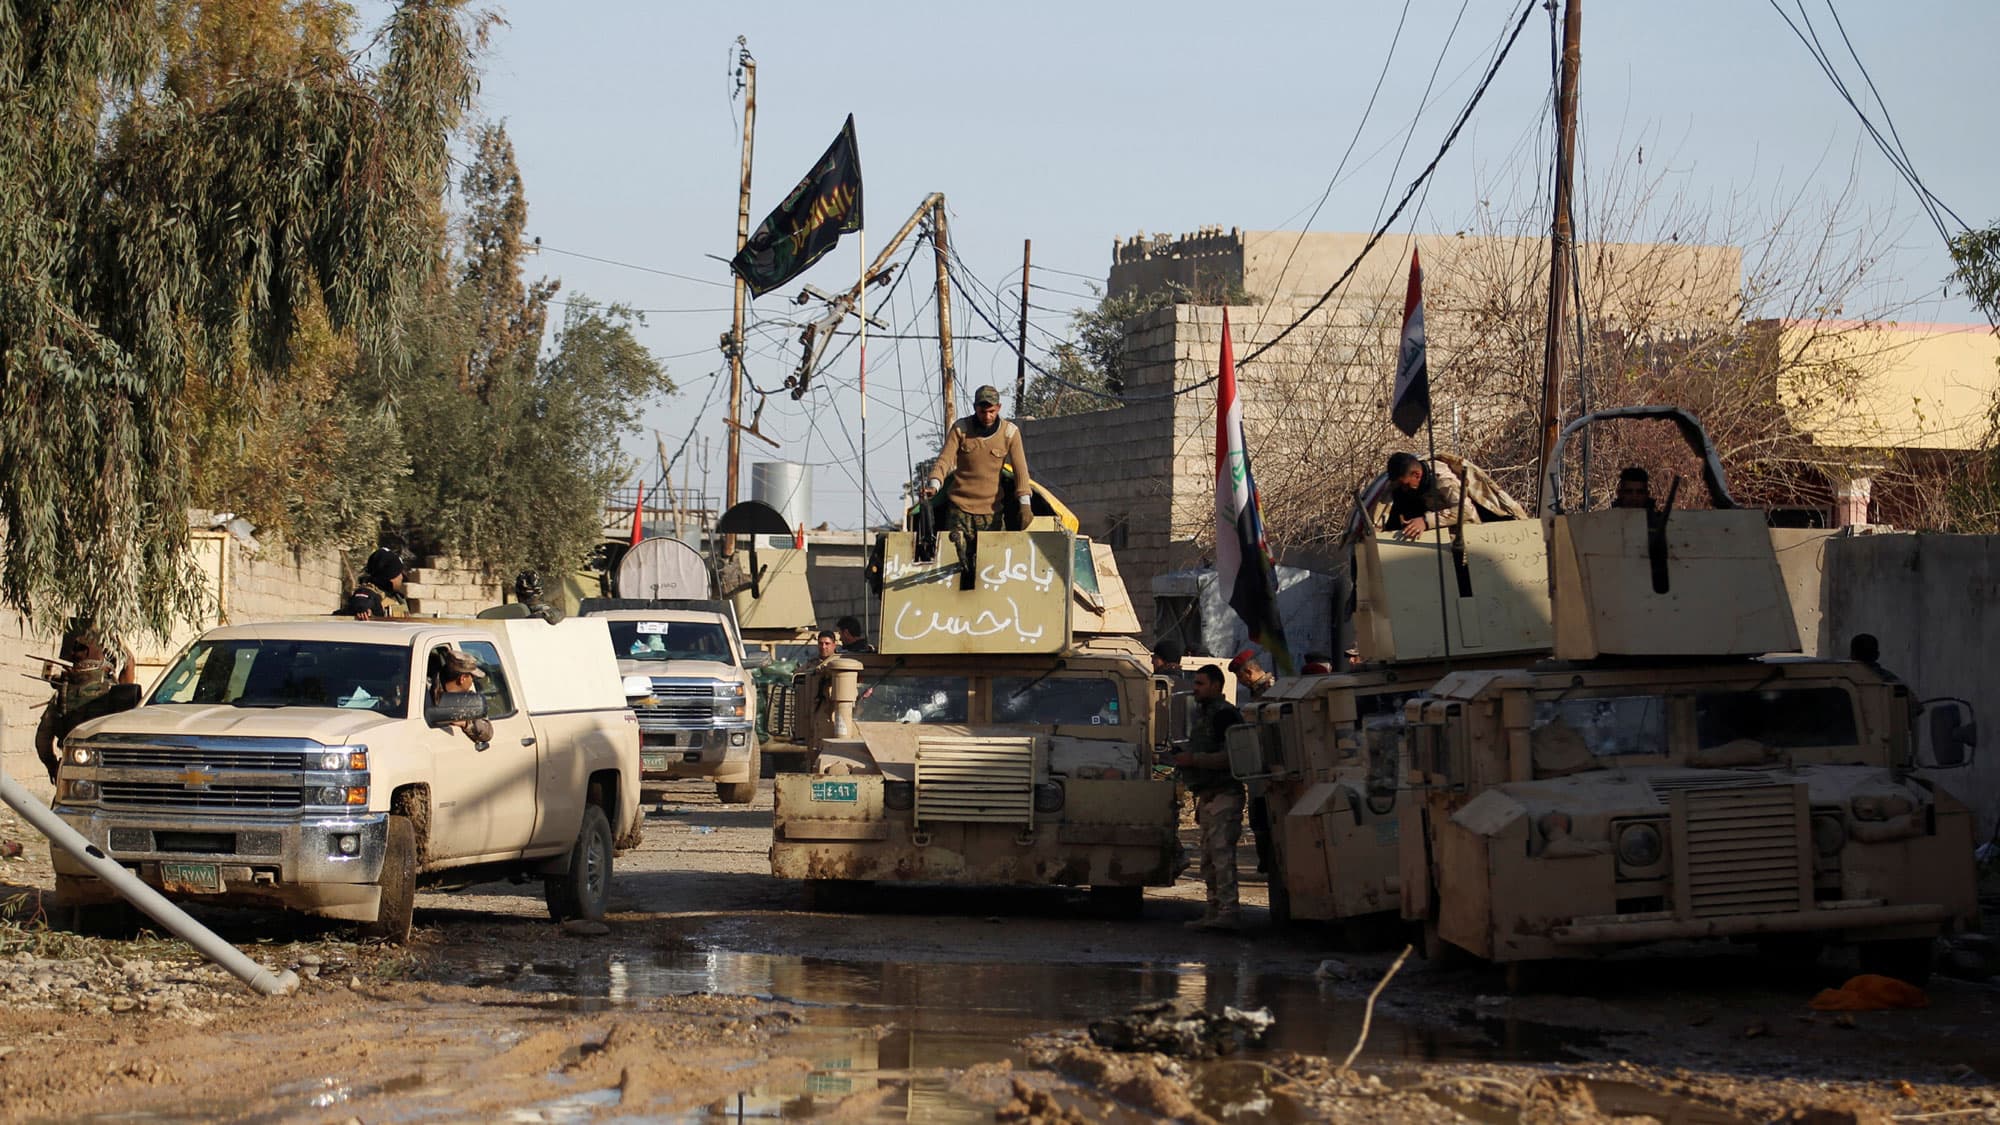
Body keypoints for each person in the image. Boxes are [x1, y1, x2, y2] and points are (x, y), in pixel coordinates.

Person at [1172, 666, 1246, 931]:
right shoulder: (1205, 715)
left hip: (1225, 795)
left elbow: (1232, 757)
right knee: (1209, 859)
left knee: (1222, 857)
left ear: (1216, 685)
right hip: (1209, 796)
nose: (1196, 688)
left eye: (1201, 683)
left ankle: (1229, 912)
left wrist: (1194, 759)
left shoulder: (1226, 715)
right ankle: (1214, 911)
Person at [922, 384, 1034, 541]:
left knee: (992, 560)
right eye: (982, 412)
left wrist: (1025, 504)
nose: (987, 417)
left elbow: (1020, 470)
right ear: (975, 408)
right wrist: (934, 485)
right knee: (954, 558)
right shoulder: (961, 429)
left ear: (999, 408)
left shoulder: (1010, 433)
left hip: (992, 512)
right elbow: (944, 460)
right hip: (959, 510)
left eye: (991, 412)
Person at [34, 624, 139, 783]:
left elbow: (42, 739)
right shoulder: (114, 690)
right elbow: (129, 662)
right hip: (107, 766)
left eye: (77, 649)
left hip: (72, 764)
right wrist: (114, 636)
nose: (72, 653)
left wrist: (53, 766)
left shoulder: (63, 692)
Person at [1384, 452, 1476, 540]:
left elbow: (1465, 510)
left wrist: (1425, 521)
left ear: (1417, 475)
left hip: (1466, 536)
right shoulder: (1407, 486)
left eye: (1404, 484)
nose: (1403, 489)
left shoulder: (1443, 481)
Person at [430, 647, 494, 743]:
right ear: (463, 678)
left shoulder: (469, 700)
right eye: (472, 677)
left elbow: (487, 732)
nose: (472, 682)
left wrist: (466, 723)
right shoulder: (427, 691)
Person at [350, 548, 411, 619]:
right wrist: (362, 608)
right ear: (391, 577)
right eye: (399, 573)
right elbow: (361, 600)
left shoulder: (395, 596)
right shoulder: (369, 593)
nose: (401, 577)